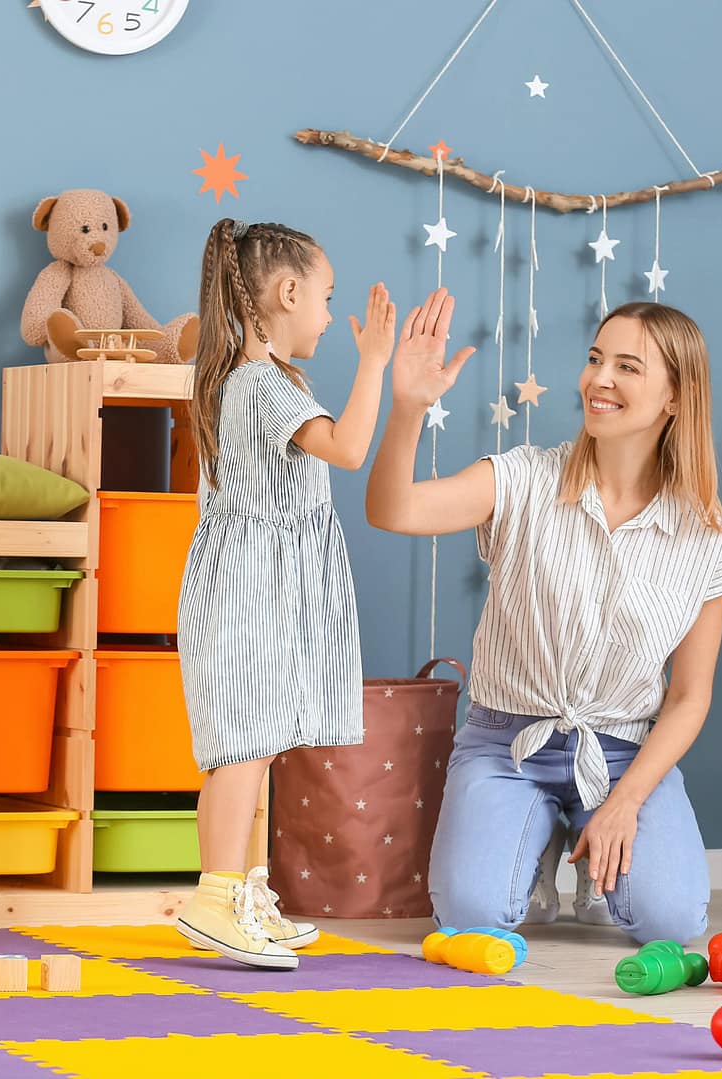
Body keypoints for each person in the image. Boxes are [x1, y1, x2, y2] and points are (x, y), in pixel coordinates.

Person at [366, 291, 722, 945]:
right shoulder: (521, 479)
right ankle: (535, 844)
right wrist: (406, 408)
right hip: (506, 744)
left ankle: (597, 860)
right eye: (597, 358)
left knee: (672, 923)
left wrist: (625, 801)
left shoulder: (705, 535)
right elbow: (392, 510)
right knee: (473, 917)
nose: (599, 379)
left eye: (628, 367)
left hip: (624, 753)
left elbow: (688, 696)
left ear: (676, 397)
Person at [175, 218, 396, 969]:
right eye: (327, 298)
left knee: (255, 743)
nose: (332, 317)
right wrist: (374, 365)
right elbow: (349, 448)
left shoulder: (252, 379)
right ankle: (214, 896)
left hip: (259, 587)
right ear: (288, 291)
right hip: (248, 591)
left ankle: (242, 888)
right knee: (241, 747)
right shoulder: (261, 385)